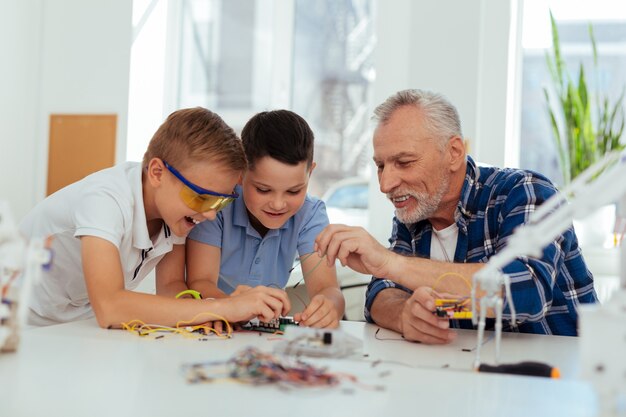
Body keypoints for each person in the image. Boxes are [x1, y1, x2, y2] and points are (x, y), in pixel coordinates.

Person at [314, 89, 597, 343]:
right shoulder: (415, 210)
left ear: (453, 152)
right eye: (380, 166)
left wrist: (389, 263)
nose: (385, 184)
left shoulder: (526, 192)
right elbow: (381, 292)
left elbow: (524, 291)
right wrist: (404, 314)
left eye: (404, 162)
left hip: (563, 383)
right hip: (471, 379)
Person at [19, 107, 290, 328]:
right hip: (18, 321)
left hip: (74, 326)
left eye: (220, 202)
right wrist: (221, 307)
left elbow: (170, 288)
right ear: (158, 173)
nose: (209, 214)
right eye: (201, 197)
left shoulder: (174, 214)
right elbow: (110, 306)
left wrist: (213, 311)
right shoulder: (105, 199)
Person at [186, 110, 345, 329]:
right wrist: (233, 305)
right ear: (240, 172)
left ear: (311, 172)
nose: (278, 204)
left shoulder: (311, 213)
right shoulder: (218, 206)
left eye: (293, 191)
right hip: (209, 326)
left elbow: (328, 289)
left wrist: (330, 306)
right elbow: (199, 283)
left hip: (260, 333)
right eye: (263, 189)